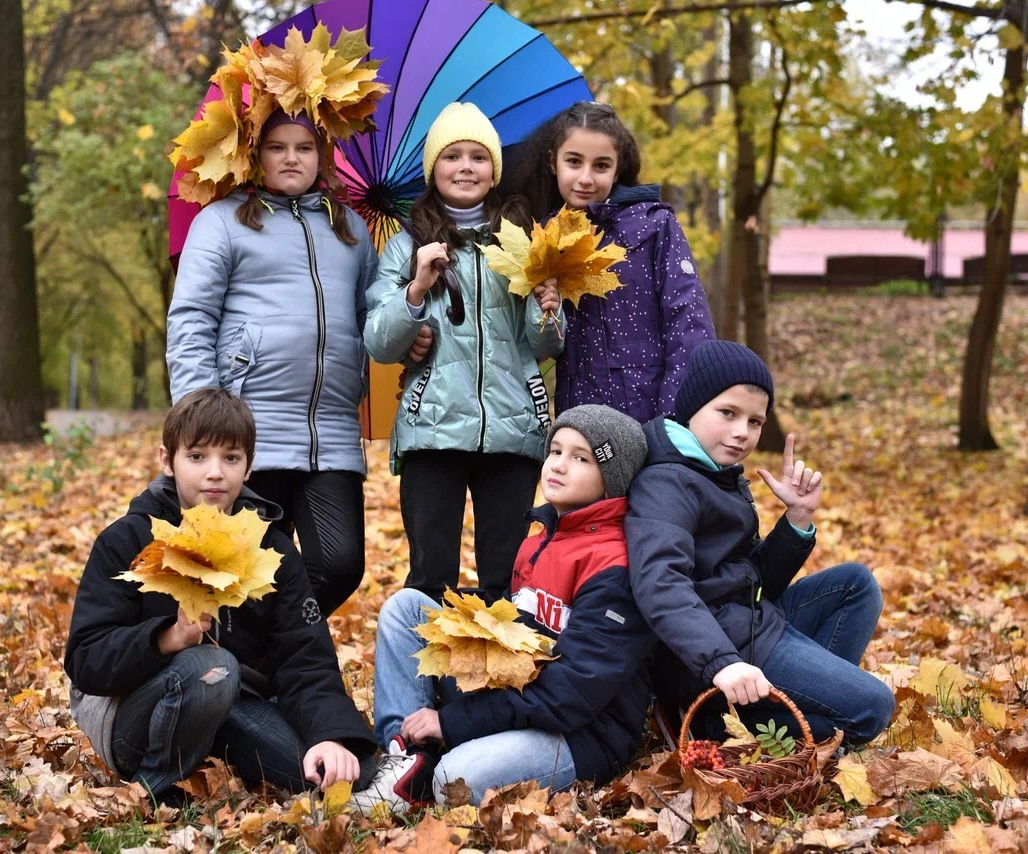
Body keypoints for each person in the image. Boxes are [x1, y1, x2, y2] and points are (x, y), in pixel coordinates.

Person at [64, 388, 376, 804]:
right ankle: (153, 786)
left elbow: (305, 656)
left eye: (231, 458)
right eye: (197, 456)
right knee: (213, 669)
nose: (215, 473)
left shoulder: (272, 549)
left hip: (232, 704)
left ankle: (215, 755)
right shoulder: (128, 539)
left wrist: (330, 736)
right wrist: (167, 638)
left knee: (347, 772)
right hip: (135, 716)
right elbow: (85, 658)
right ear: (167, 460)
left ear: (249, 467)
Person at [349, 404, 657, 812]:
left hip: (581, 733)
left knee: (454, 779)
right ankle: (405, 758)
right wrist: (463, 617)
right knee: (408, 608)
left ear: (612, 479)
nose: (558, 465)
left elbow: (570, 695)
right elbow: (516, 622)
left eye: (581, 458)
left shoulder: (616, 566)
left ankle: (431, 768)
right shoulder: (539, 539)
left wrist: (452, 723)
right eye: (556, 451)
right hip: (519, 695)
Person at [166, 43, 383, 617]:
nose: (291, 158)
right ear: (254, 153)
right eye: (277, 147)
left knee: (339, 564)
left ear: (322, 154)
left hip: (331, 432)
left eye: (304, 147)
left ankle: (271, 653)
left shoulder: (351, 231)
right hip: (245, 432)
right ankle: (250, 663)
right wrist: (200, 419)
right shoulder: (222, 223)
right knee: (243, 568)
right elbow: (191, 319)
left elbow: (373, 316)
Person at [624, 340, 895, 747]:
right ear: (692, 407)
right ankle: (713, 723)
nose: (741, 432)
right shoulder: (667, 483)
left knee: (855, 585)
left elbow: (754, 580)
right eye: (728, 413)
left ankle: (799, 709)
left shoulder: (715, 471)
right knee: (872, 707)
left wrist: (797, 520)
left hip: (749, 623)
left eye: (755, 421)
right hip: (713, 651)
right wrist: (722, 664)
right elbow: (660, 584)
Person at [364, 102, 564, 602]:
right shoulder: (407, 245)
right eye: (452, 156)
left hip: (513, 426)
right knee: (431, 580)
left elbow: (545, 346)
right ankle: (426, 656)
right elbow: (380, 344)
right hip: (431, 430)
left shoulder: (522, 241)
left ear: (494, 170)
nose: (466, 167)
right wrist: (415, 289)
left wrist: (547, 308)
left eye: (478, 157)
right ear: (434, 169)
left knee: (506, 580)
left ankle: (500, 656)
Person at [509, 101, 715, 423]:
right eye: (574, 162)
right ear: (553, 162)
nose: (585, 178)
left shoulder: (654, 225)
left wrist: (672, 422)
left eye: (601, 165)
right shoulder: (544, 239)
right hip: (581, 420)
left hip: (649, 415)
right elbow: (540, 347)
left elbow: (688, 324)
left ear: (617, 170)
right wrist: (546, 310)